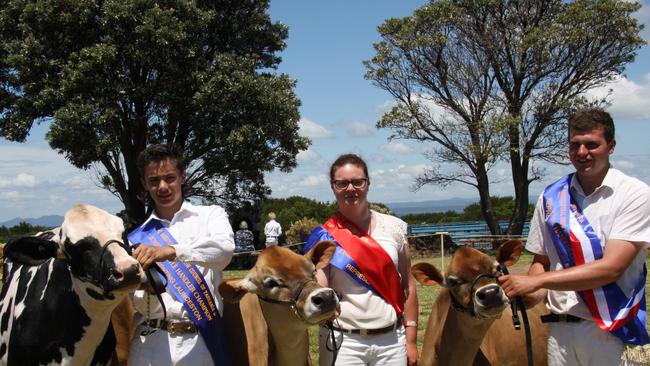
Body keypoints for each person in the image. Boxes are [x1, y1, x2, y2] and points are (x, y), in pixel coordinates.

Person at [499, 108, 650, 366]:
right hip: (560, 331)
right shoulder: (551, 196)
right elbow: (542, 260)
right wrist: (532, 292)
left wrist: (537, 282)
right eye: (574, 145)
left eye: (592, 144)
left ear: (611, 146)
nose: (582, 153)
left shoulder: (634, 194)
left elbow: (612, 268)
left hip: (610, 331)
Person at [303, 153, 419, 366]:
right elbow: (319, 286)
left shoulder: (394, 228)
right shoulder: (324, 236)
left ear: (367, 184)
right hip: (343, 341)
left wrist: (411, 340)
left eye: (358, 182)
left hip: (392, 341)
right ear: (333, 187)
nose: (350, 188)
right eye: (342, 183)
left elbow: (408, 285)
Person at [127, 144, 235, 366]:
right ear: (144, 184)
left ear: (183, 176)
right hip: (150, 346)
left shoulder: (211, 215)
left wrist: (172, 251)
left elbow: (224, 251)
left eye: (170, 177)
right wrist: (148, 290)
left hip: (201, 343)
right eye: (154, 181)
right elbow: (139, 304)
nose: (163, 187)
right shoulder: (135, 239)